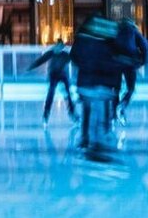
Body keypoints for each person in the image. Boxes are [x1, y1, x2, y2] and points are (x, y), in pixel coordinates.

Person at [70, 14, 140, 163]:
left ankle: (90, 144)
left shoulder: (89, 41)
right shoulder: (102, 43)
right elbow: (108, 61)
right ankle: (96, 147)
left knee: (93, 116)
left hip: (93, 85)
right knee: (99, 117)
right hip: (99, 86)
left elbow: (76, 58)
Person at [34, 39, 75, 125]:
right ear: (56, 46)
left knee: (68, 93)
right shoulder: (51, 53)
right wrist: (30, 67)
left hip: (62, 76)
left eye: (60, 47)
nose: (58, 49)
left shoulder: (65, 55)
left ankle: (72, 113)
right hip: (53, 76)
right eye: (58, 47)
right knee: (51, 93)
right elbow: (40, 60)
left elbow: (75, 61)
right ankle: (46, 115)